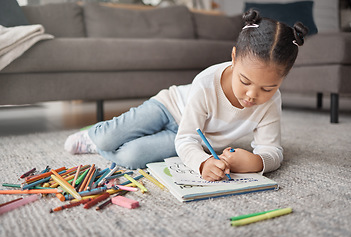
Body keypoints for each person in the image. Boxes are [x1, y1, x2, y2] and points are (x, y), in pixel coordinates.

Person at [65, 9, 308, 181]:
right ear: (234, 58)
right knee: (107, 139)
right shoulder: (206, 83)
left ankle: (107, 139)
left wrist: (256, 162)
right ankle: (95, 134)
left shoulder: (271, 102)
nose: (252, 95)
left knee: (129, 157)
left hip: (193, 135)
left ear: (282, 80)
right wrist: (201, 162)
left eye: (268, 88)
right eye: (244, 81)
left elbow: (273, 151)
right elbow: (186, 139)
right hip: (168, 107)